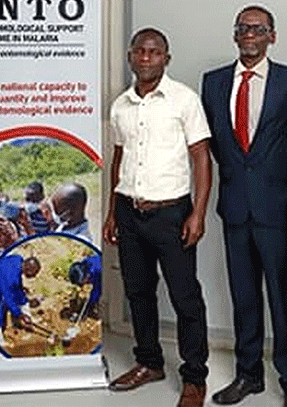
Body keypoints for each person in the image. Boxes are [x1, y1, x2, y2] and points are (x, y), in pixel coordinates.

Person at [201, 5, 287, 407]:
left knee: (283, 298)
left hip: (276, 210)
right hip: (234, 209)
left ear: (272, 36)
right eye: (243, 28)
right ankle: (249, 376)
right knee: (243, 296)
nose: (250, 34)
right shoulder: (212, 83)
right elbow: (213, 143)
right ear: (235, 35)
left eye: (258, 28)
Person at [103, 27, 213, 407]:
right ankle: (149, 362)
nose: (146, 58)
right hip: (129, 212)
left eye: (155, 52)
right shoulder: (120, 106)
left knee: (185, 297)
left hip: (172, 214)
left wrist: (197, 214)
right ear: (131, 56)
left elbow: (201, 156)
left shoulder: (184, 100)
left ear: (166, 58)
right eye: (140, 51)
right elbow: (120, 158)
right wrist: (111, 213)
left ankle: (195, 378)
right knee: (138, 292)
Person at [0, 254, 41, 333]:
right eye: (33, 273)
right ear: (28, 269)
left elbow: (16, 285)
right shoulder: (12, 278)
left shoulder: (18, 259)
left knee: (19, 295)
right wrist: (19, 314)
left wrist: (23, 299)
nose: (34, 276)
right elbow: (8, 298)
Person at [67, 254, 102, 319]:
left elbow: (96, 292)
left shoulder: (97, 273)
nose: (82, 285)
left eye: (81, 283)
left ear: (85, 277)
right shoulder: (85, 262)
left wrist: (88, 306)